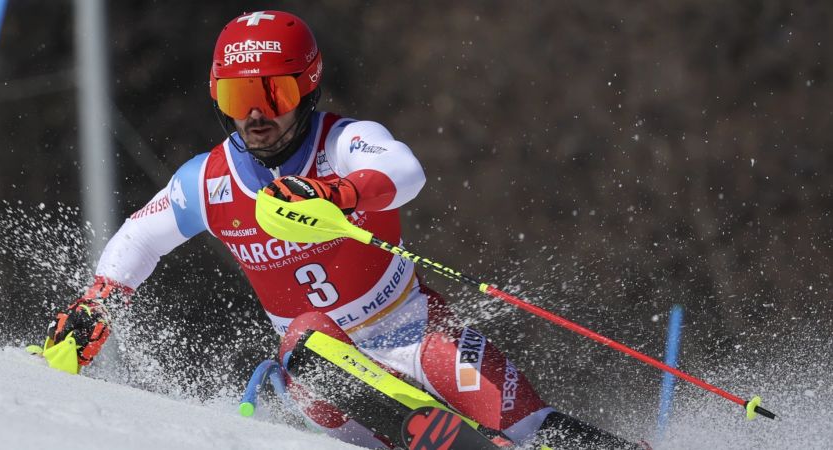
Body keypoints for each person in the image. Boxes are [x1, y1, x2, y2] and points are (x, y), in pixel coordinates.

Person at [43, 10, 639, 449]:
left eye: (271, 92)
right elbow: (139, 238)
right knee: (308, 338)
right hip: (321, 370)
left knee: (535, 429)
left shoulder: (344, 141)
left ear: (306, 86)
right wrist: (99, 304)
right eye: (236, 94)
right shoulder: (209, 179)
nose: (254, 114)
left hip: (416, 329)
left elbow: (405, 171)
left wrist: (340, 193)